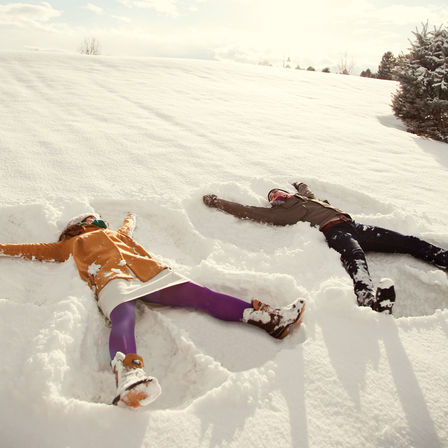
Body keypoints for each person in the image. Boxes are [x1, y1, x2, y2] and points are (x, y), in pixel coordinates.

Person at [0, 213, 305, 408]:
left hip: (151, 273)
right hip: (110, 278)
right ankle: (129, 373)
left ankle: (268, 318)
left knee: (203, 296)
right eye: (93, 220)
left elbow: (125, 227)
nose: (99, 223)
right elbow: (35, 249)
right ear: (78, 227)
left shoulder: (117, 234)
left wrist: (130, 219)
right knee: (124, 318)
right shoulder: (70, 245)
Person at [203, 183, 448, 314]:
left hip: (354, 225)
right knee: (355, 255)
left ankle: (442, 257)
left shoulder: (306, 200)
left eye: (278, 192)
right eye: (273, 197)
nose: (276, 196)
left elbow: (307, 192)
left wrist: (300, 185)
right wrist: (219, 203)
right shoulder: (283, 213)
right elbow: (249, 212)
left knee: (405, 241)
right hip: (335, 231)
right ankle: (367, 297)